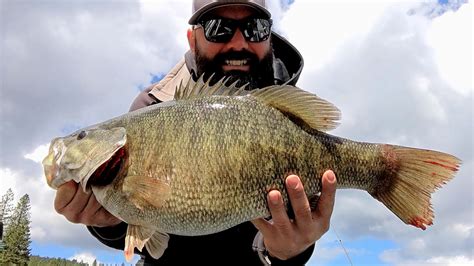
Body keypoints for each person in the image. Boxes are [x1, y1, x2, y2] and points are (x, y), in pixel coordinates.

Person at [53, 1, 337, 265]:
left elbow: (296, 228)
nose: (238, 43)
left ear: (269, 37)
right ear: (192, 39)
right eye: (218, 28)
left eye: (255, 28)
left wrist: (291, 251)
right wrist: (111, 222)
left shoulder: (288, 117)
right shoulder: (151, 108)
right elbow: (147, 240)